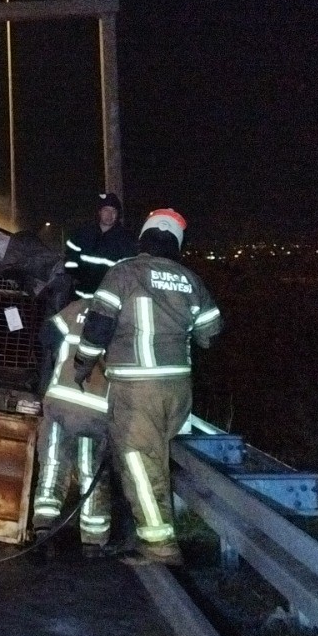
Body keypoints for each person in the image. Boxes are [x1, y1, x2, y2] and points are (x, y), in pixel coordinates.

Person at [71, 209, 223, 567]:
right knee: (153, 462)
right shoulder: (190, 280)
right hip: (178, 390)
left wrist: (83, 364)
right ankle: (150, 531)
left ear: (143, 239)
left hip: (137, 389)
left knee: (139, 463)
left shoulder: (123, 274)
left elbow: (98, 327)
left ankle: (159, 546)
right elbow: (209, 335)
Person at [31, 296, 116, 558]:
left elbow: (46, 336)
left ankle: (43, 532)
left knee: (54, 466)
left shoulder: (79, 306)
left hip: (60, 404)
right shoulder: (128, 320)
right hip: (97, 412)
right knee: (92, 474)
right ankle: (93, 543)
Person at [63, 193, 136, 302]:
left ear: (118, 214)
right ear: (99, 212)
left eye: (113, 211)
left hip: (108, 302)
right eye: (106, 210)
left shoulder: (126, 240)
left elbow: (128, 270)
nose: (109, 214)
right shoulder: (82, 234)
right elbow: (70, 260)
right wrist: (78, 277)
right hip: (79, 299)